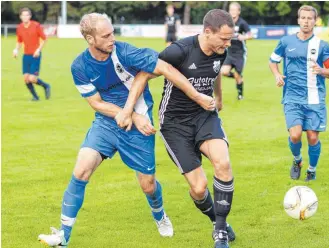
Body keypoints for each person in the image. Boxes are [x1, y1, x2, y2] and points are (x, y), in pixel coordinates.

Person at [38, 13, 215, 247]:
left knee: (148, 185)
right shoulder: (79, 66)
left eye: (112, 32)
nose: (113, 38)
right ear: (91, 40)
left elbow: (166, 69)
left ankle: (160, 215)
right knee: (81, 171)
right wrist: (129, 115)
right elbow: (96, 103)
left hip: (138, 129)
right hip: (106, 124)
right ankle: (63, 235)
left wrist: (196, 96)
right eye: (106, 35)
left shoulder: (125, 52)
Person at [117, 9, 236, 248]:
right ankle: (215, 219)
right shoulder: (179, 51)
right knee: (199, 189)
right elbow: (142, 75)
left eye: (230, 38)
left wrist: (219, 99)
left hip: (205, 116)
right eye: (224, 38)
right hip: (174, 124)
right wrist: (128, 110)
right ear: (207, 32)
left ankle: (220, 232)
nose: (228, 42)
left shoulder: (220, 51)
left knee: (223, 164)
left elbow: (215, 74)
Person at [269, 5, 329, 182]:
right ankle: (298, 160)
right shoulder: (286, 42)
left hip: (315, 98)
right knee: (295, 135)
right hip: (292, 97)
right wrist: (277, 75)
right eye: (303, 18)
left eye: (310, 18)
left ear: (315, 21)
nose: (306, 21)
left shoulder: (323, 46)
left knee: (313, 137)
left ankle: (312, 169)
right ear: (298, 20)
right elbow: (273, 61)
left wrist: (322, 70)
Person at [13, 7, 51, 101]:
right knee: (26, 78)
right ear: (20, 17)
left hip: (35, 55)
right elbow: (19, 41)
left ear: (30, 16)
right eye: (23, 15)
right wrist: (16, 50)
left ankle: (46, 86)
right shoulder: (19, 27)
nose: (25, 17)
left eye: (27, 15)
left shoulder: (36, 25)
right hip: (26, 56)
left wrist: (38, 50)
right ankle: (35, 97)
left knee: (32, 78)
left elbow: (44, 39)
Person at [221, 2, 252, 100]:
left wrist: (244, 36)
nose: (232, 12)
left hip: (240, 53)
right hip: (229, 53)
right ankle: (236, 76)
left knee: (238, 75)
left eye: (234, 10)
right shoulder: (226, 23)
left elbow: (251, 35)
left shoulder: (242, 23)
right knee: (224, 72)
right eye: (231, 10)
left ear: (238, 12)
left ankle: (240, 95)